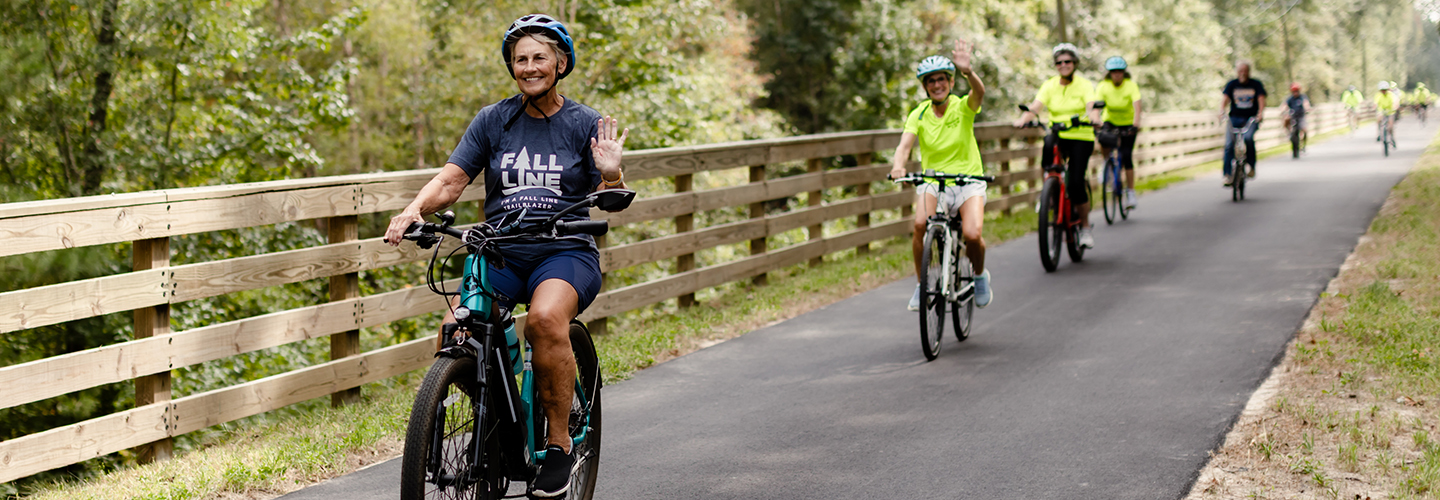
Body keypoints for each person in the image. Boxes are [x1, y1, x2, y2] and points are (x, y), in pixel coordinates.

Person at [381, 14, 629, 499]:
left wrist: (613, 175)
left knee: (543, 321)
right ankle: (496, 423)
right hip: (501, 249)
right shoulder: (494, 120)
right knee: (458, 329)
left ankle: (558, 446)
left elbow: (608, 192)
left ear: (560, 64)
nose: (530, 67)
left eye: (540, 58)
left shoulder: (583, 123)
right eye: (521, 60)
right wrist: (412, 210)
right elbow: (453, 178)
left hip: (563, 252)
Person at [892, 39, 994, 311]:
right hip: (934, 182)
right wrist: (898, 166)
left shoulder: (963, 107)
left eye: (941, 80)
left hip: (968, 181)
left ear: (950, 82)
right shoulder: (919, 114)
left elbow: (979, 94)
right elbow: (904, 146)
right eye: (930, 81)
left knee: (972, 235)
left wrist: (968, 72)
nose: (936, 85)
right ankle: (921, 286)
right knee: (918, 225)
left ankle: (980, 275)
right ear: (925, 86)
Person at [1015, 43, 1098, 248]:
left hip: (1081, 135)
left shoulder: (1084, 85)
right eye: (1059, 62)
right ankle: (1049, 187)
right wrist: (1023, 119)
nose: (1063, 65)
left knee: (1076, 182)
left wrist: (1095, 117)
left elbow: (1091, 105)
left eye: (1067, 61)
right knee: (1048, 140)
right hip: (1059, 133)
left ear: (1075, 63)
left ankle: (1085, 228)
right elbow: (1036, 106)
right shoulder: (1050, 84)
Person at [1089, 55, 1143, 209]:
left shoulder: (1130, 85)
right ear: (1109, 73)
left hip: (1128, 124)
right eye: (1113, 72)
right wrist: (1095, 120)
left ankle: (1131, 193)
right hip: (1110, 121)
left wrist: (1136, 123)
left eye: (1119, 71)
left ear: (1124, 72)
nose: (1117, 74)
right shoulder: (1103, 86)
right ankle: (1106, 162)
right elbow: (1096, 107)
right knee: (1103, 138)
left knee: (1126, 156)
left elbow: (1137, 107)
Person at [1219, 61, 1266, 185]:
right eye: (1240, 71)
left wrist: (1260, 113)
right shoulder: (1232, 84)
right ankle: (1227, 175)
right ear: (1237, 72)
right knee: (1229, 145)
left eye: (1245, 70)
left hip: (1251, 118)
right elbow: (1225, 99)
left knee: (1248, 138)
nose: (1243, 73)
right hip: (1234, 118)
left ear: (1249, 72)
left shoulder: (1255, 84)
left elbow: (1261, 99)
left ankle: (1251, 166)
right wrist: (1221, 112)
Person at [1282, 82, 1311, 154]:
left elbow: (1306, 104)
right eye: (1293, 91)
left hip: (1301, 116)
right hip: (1293, 116)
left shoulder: (1302, 97)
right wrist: (1283, 111)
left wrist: (1307, 109)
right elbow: (1284, 105)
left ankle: (1303, 145)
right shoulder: (1290, 99)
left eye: (1296, 91)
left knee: (1304, 130)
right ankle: (1288, 133)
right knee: (1286, 119)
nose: (1295, 93)